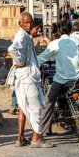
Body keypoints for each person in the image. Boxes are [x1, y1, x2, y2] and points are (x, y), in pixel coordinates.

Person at [8, 12, 52, 147]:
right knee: (36, 107)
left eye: (30, 22)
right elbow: (12, 49)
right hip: (27, 76)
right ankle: (36, 139)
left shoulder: (26, 35)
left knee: (24, 106)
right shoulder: (21, 35)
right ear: (20, 23)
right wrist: (21, 61)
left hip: (27, 75)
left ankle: (21, 139)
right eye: (26, 22)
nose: (29, 25)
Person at [37, 21, 79, 136]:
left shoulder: (55, 43)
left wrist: (32, 65)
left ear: (58, 31)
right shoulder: (77, 41)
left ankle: (42, 131)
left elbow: (42, 58)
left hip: (61, 80)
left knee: (48, 101)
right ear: (70, 30)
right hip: (78, 78)